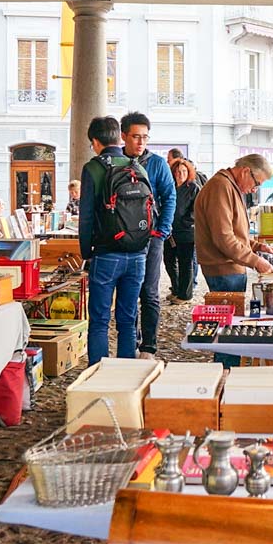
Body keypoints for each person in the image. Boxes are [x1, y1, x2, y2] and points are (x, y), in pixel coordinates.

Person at [195, 153, 273, 367]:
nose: (254, 189)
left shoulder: (229, 186)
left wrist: (259, 247)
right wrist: (256, 261)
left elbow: (235, 234)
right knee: (228, 332)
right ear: (245, 171)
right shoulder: (220, 187)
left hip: (230, 268)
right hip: (223, 269)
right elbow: (224, 238)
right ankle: (226, 375)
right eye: (256, 183)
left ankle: (228, 371)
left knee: (231, 327)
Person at [79, 116, 149, 364]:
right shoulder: (137, 167)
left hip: (107, 254)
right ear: (119, 138)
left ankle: (98, 374)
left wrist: (86, 252)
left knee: (99, 321)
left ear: (95, 142)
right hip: (138, 254)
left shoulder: (94, 168)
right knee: (128, 319)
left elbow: (86, 216)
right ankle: (126, 375)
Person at [121, 112, 176, 361]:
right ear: (124, 136)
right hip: (122, 239)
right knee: (127, 293)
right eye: (135, 137)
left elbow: (170, 197)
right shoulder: (114, 162)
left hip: (151, 238)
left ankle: (149, 347)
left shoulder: (157, 164)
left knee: (150, 293)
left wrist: (161, 232)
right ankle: (129, 341)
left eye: (145, 137)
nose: (141, 142)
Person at [163, 158, 201, 304]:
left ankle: (186, 295)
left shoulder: (193, 188)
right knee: (169, 260)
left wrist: (185, 221)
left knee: (186, 264)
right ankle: (177, 289)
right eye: (178, 172)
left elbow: (196, 210)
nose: (180, 174)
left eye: (184, 171)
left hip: (186, 232)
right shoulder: (169, 186)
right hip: (169, 231)